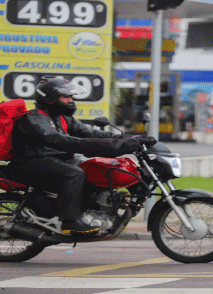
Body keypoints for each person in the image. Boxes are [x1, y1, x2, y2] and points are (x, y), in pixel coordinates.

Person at [11, 77, 156, 234]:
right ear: (50, 99)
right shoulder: (32, 118)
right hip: (32, 162)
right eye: (65, 97)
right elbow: (62, 141)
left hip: (58, 160)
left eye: (71, 96)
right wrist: (110, 146)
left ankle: (98, 211)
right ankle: (70, 221)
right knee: (75, 174)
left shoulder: (62, 117)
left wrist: (130, 139)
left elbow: (90, 133)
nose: (70, 100)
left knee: (99, 168)